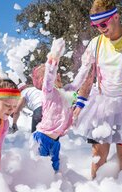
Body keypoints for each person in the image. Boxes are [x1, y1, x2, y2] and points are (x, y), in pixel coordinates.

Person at [71, 0, 122, 179]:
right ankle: (94, 191)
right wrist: (80, 102)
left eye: (103, 24)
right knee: (97, 157)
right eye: (95, 25)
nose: (100, 28)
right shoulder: (95, 43)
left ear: (115, 17)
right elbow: (88, 76)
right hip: (102, 104)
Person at [31, 38, 82, 172]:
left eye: (59, 76)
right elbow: (50, 75)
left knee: (54, 170)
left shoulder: (65, 92)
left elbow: (77, 83)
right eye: (56, 77)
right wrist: (54, 57)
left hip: (55, 141)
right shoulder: (48, 92)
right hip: (42, 137)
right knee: (40, 170)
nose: (58, 76)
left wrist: (87, 65)